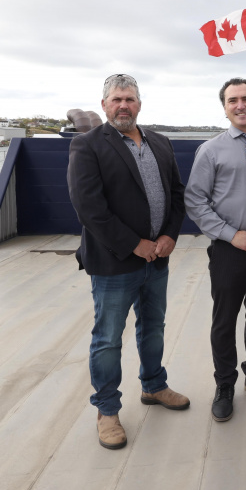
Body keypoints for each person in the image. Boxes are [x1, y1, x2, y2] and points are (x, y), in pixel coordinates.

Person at [68, 73, 191, 450]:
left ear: (140, 104)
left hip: (157, 259)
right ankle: (107, 410)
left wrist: (170, 234)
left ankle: (153, 385)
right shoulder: (87, 145)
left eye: (130, 99)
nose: (124, 105)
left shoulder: (160, 142)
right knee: (108, 338)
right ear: (105, 104)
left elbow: (175, 193)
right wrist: (135, 244)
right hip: (114, 262)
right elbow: (89, 207)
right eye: (117, 99)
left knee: (153, 327)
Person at [184, 78, 246, 422]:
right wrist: (230, 234)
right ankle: (225, 383)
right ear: (224, 107)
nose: (240, 105)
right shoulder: (210, 150)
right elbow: (195, 200)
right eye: (232, 100)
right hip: (230, 249)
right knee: (224, 320)